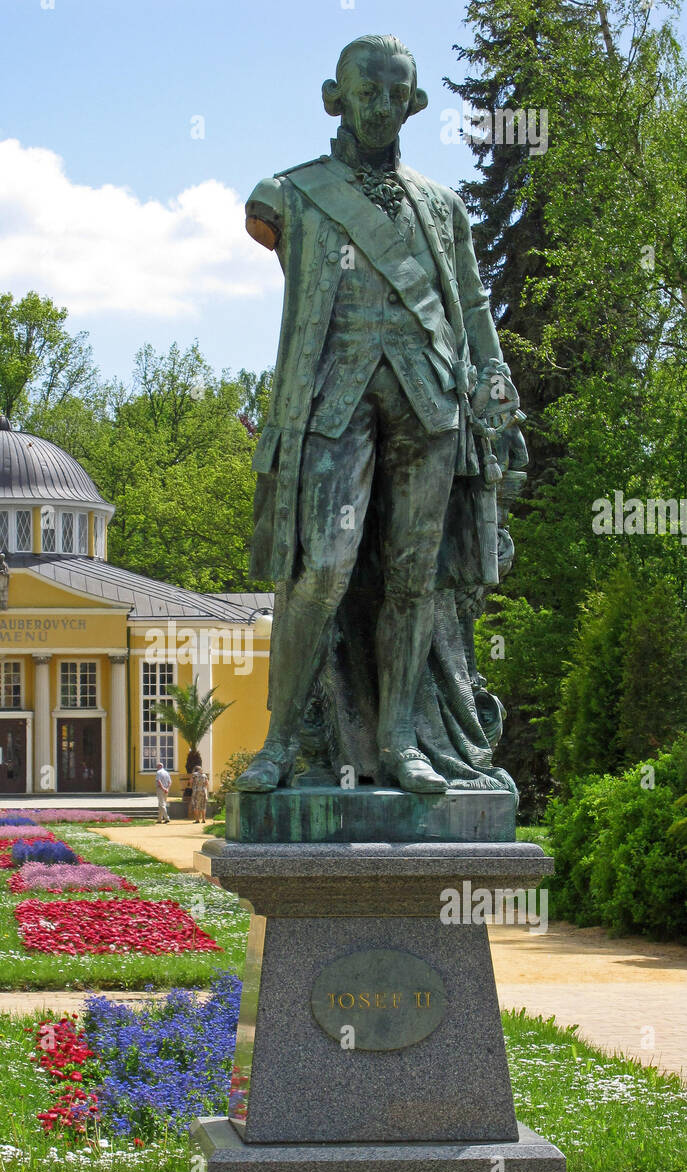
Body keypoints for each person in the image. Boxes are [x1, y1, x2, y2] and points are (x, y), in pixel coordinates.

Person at [236, 34, 525, 798]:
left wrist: (493, 379)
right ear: (335, 98)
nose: (380, 106)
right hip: (331, 403)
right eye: (366, 92)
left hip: (429, 402)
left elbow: (467, 302)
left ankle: (400, 741)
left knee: (412, 581)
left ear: (413, 103)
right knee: (320, 571)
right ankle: (277, 747)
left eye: (395, 94)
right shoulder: (288, 194)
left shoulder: (442, 205)